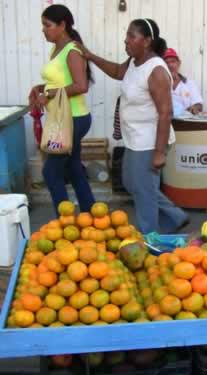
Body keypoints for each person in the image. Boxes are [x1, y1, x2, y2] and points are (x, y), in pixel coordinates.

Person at [76, 18, 188, 234]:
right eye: (126, 35)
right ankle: (175, 216)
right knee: (130, 181)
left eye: (131, 36)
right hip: (134, 138)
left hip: (150, 142)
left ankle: (149, 241)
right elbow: (118, 71)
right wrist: (90, 56)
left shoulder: (156, 70)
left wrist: (158, 153)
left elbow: (165, 113)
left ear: (146, 41)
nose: (125, 40)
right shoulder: (134, 61)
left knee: (144, 191)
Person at [28, 4, 95, 214]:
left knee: (50, 172)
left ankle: (64, 222)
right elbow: (59, 81)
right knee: (73, 168)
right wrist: (41, 87)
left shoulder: (72, 51)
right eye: (43, 25)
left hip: (73, 119)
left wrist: (47, 94)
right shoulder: (56, 48)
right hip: (64, 118)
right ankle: (91, 213)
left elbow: (80, 86)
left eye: (47, 25)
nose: (43, 30)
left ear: (62, 25)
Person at [163, 48, 203, 116]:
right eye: (166, 63)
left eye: (173, 61)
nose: (170, 65)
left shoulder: (189, 84)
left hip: (186, 123)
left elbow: (199, 104)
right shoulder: (160, 85)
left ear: (179, 63)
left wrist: (195, 108)